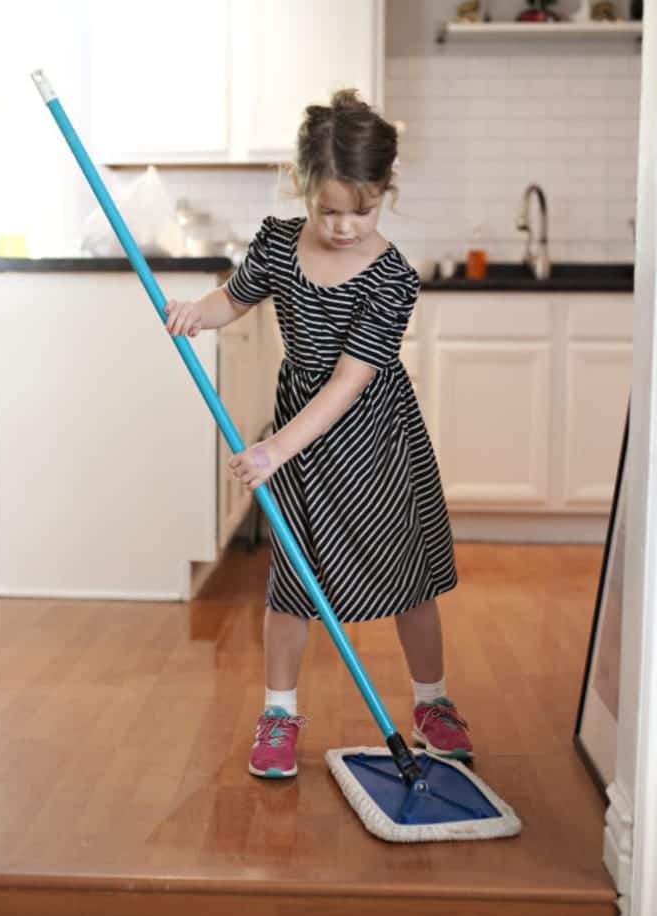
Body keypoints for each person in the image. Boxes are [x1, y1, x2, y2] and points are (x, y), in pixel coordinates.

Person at [162, 90, 468, 779]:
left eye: (362, 210)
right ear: (304, 189)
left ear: (384, 191)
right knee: (293, 583)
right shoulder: (276, 242)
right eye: (328, 210)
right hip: (299, 432)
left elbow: (348, 383)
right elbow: (233, 299)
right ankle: (277, 712)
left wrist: (273, 447)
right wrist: (194, 313)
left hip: (371, 438)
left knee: (408, 577)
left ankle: (431, 702)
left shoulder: (391, 279)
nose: (343, 226)